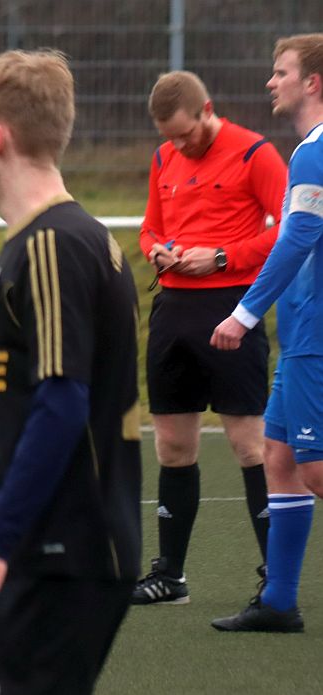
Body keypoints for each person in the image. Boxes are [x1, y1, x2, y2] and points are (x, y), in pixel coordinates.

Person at [0, 50, 142, 694]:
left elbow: (61, 401)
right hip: (48, 548)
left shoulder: (53, 244)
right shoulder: (53, 240)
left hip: (62, 551)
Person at [132, 71, 286, 606]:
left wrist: (222, 257)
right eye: (169, 137)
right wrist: (157, 250)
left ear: (207, 110)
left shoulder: (256, 153)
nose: (179, 146)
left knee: (251, 445)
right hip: (172, 309)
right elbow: (150, 226)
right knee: (172, 445)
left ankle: (276, 576)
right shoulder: (162, 159)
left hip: (233, 307)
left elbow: (291, 229)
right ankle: (169, 575)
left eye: (186, 134)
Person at [210, 32, 323, 633]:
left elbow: (299, 239)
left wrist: (244, 314)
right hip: (302, 334)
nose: (270, 82)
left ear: (313, 82)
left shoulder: (314, 152)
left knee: (314, 468)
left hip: (315, 339)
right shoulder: (309, 150)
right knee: (279, 458)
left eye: (281, 72)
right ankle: (279, 601)